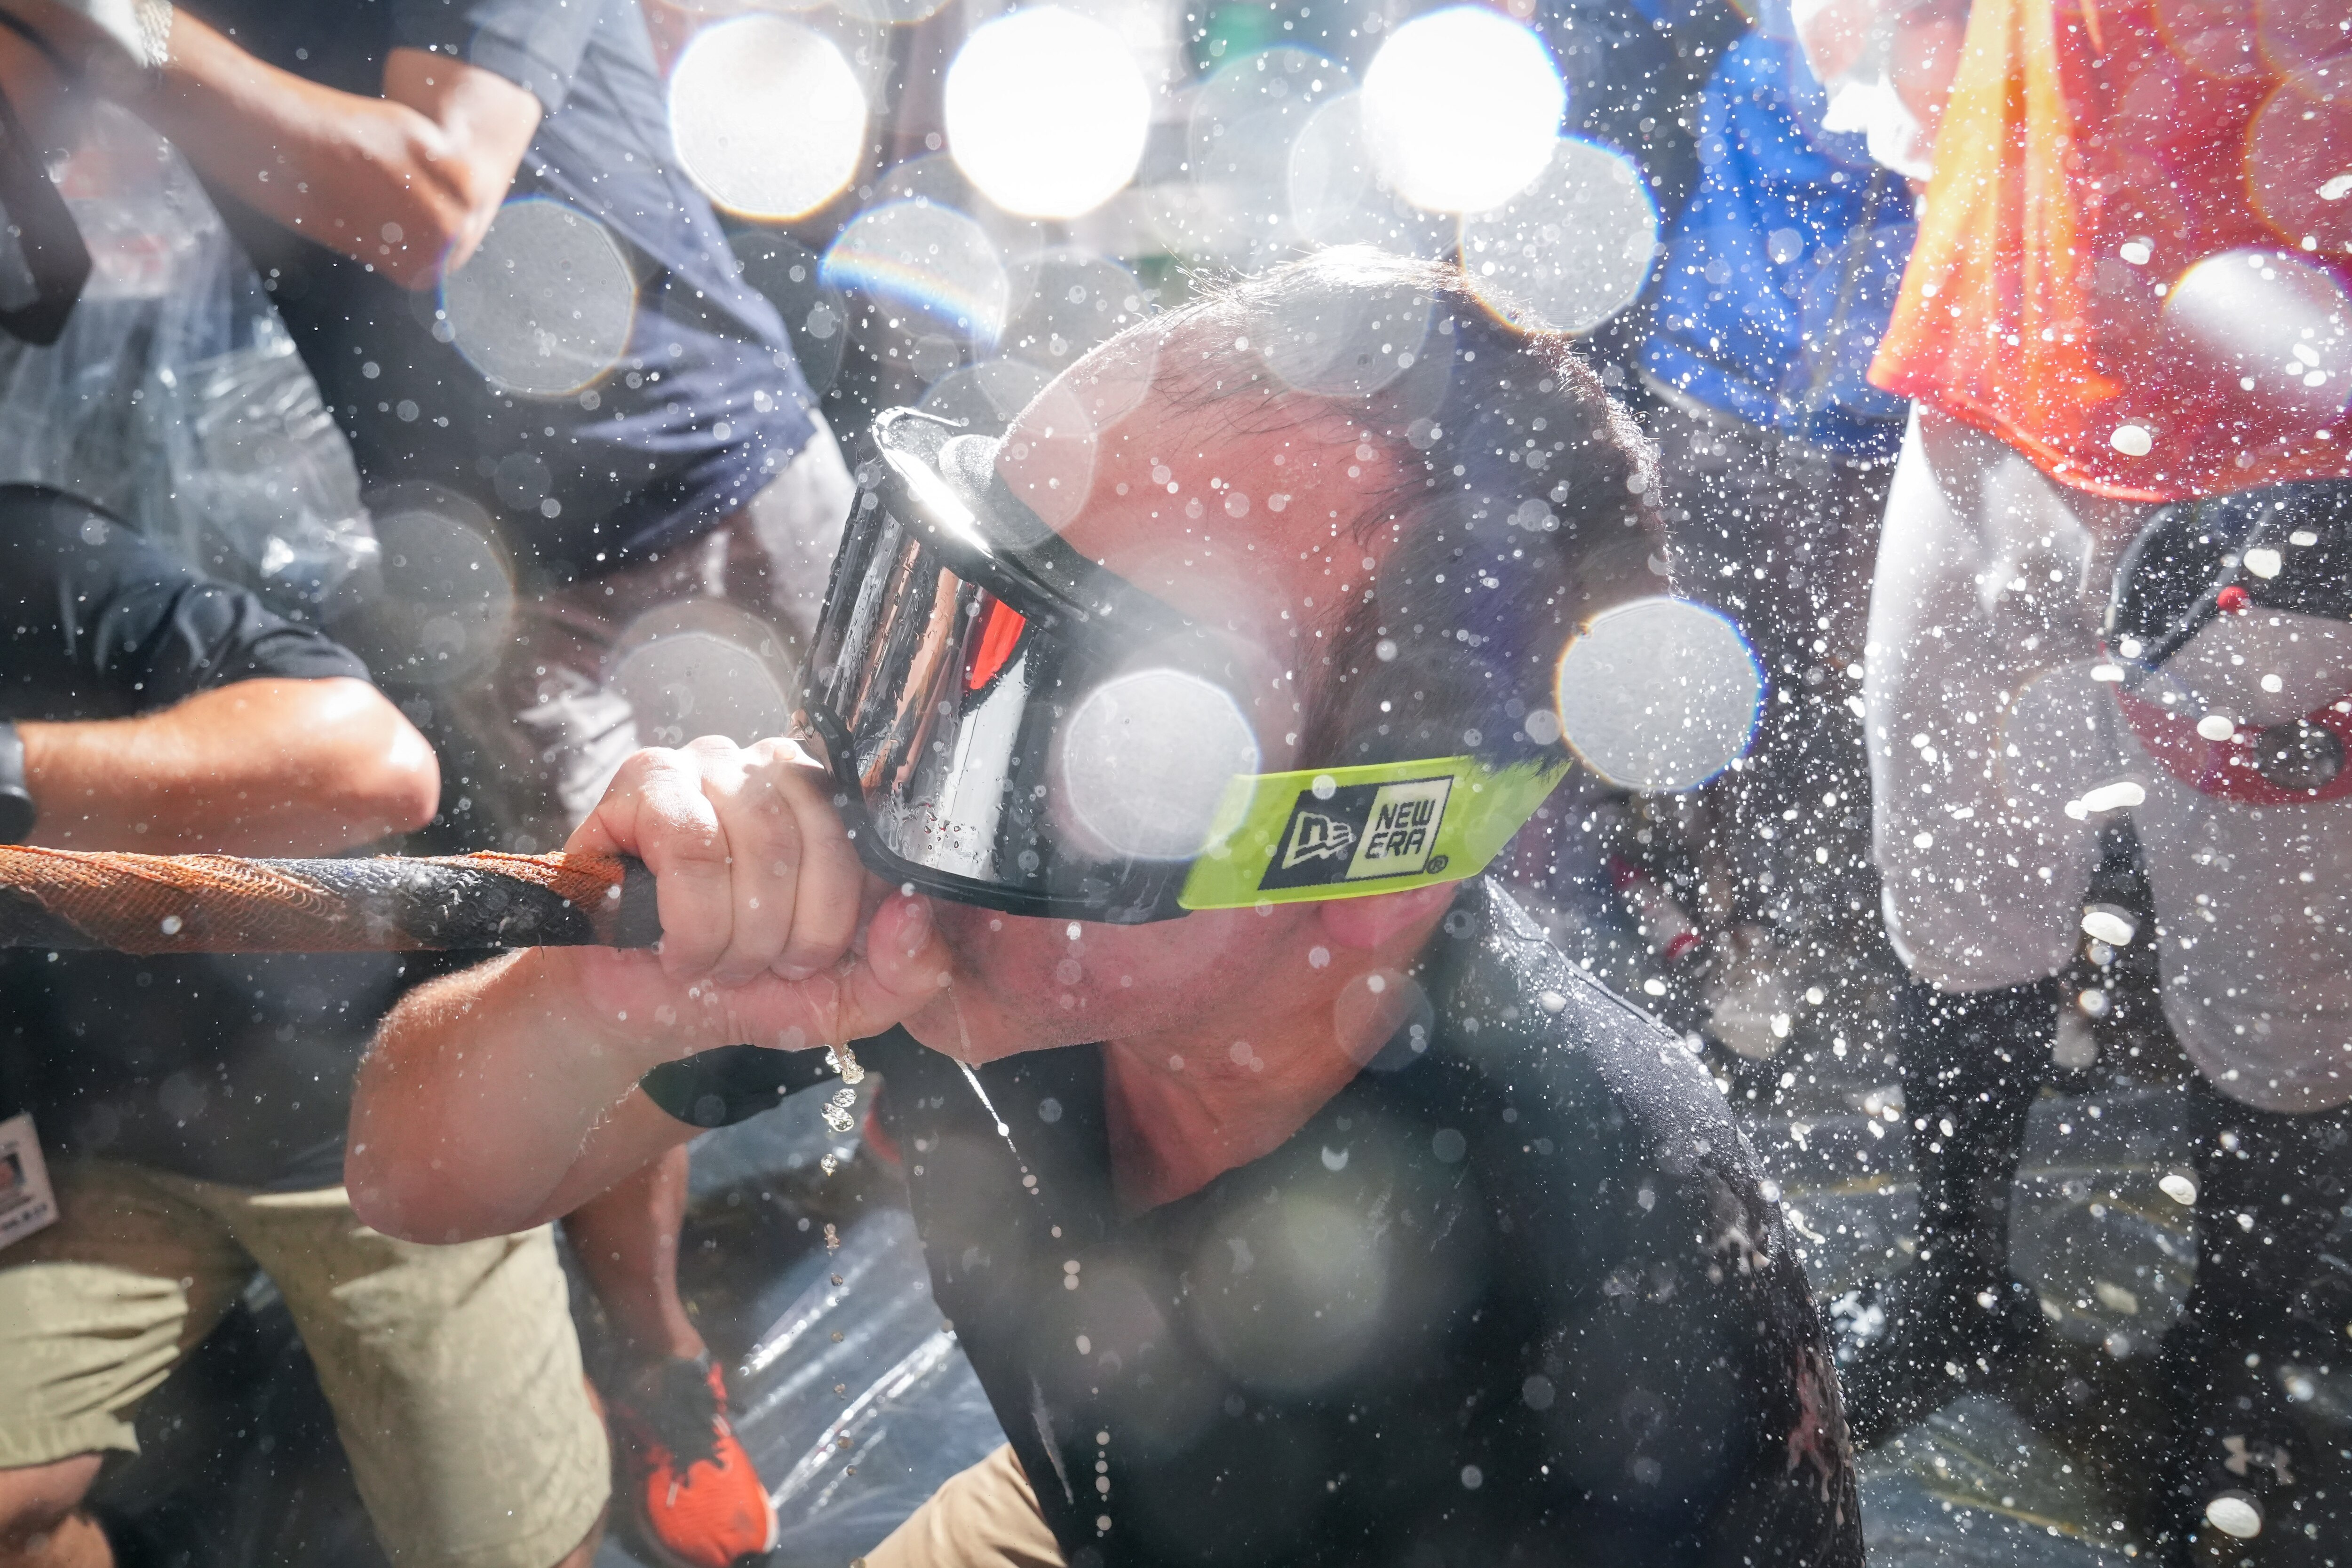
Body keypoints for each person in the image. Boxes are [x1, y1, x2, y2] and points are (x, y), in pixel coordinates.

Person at [345, 249, 1863, 1568]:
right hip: (1099, 1492)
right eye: (958, 615)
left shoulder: (1608, 1276)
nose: (916, 760)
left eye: (1089, 719)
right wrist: (611, 998)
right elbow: (411, 1178)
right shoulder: (964, 915)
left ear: (1367, 860)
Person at [0, 1, 850, 1555]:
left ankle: (996, 1221)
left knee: (903, 913)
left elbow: (431, 200)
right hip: (510, 576)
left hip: (722, 483)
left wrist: (111, 25)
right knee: (632, 965)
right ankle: (658, 1353)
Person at [1820, 0, 2352, 1556]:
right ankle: (1955, 1282)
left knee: (2280, 1004)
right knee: (1955, 891)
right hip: (1995, 362)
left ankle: (2244, 1381)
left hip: (2290, 466)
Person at [0, 484, 614, 1568]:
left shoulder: (30, 555)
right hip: (101, 1155)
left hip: (362, 1118)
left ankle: (634, 1370)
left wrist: (14, 773)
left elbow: (373, 764)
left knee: (519, 1548)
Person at [1631, 3, 1916, 1064]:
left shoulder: (1960, 44)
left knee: (1862, 685)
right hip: (1724, 386)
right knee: (1734, 681)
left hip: (1878, 412)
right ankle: (1746, 934)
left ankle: (1860, 941)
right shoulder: (1763, 44)